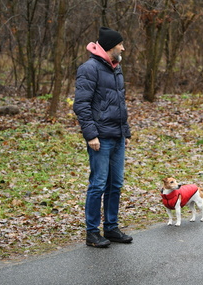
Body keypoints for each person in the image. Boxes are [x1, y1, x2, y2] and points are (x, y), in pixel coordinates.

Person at [73, 27, 133, 248]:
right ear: (110, 46)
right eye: (121, 44)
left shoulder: (116, 68)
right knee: (98, 184)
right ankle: (92, 232)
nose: (123, 48)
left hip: (117, 137)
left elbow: (120, 104)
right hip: (100, 138)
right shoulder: (89, 69)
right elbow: (81, 105)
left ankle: (111, 227)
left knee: (115, 184)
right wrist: (91, 135)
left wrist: (125, 132)